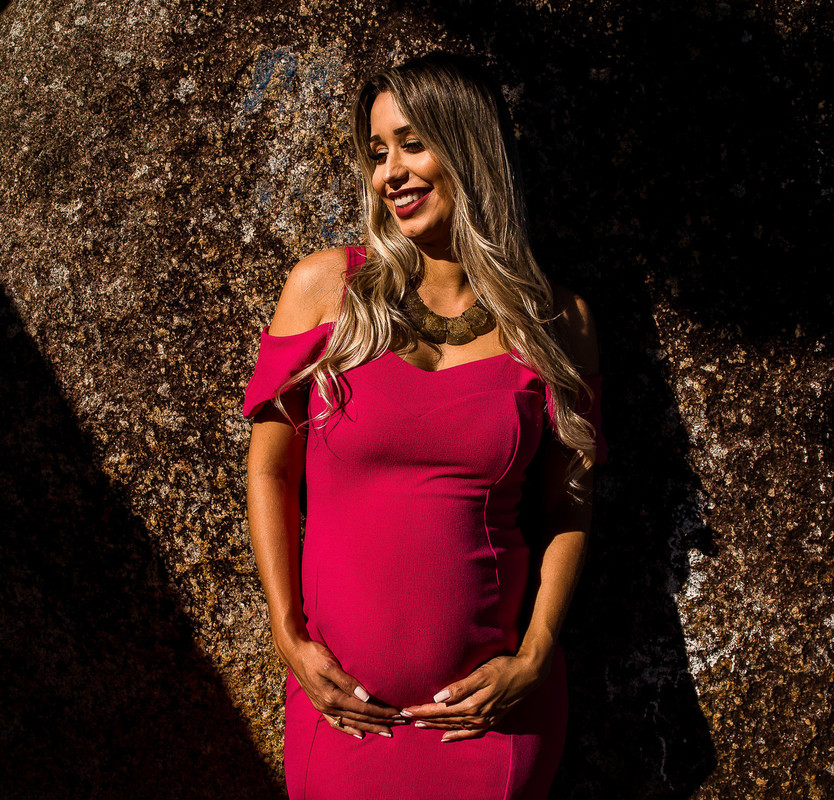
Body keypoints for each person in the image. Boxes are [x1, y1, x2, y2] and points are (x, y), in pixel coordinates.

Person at [242, 53, 606, 800]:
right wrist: (290, 639)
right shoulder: (323, 291)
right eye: (377, 154)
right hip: (345, 716)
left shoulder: (557, 321)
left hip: (491, 722)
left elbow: (568, 505)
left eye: (412, 144)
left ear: (468, 147)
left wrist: (534, 659)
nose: (390, 174)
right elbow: (270, 470)